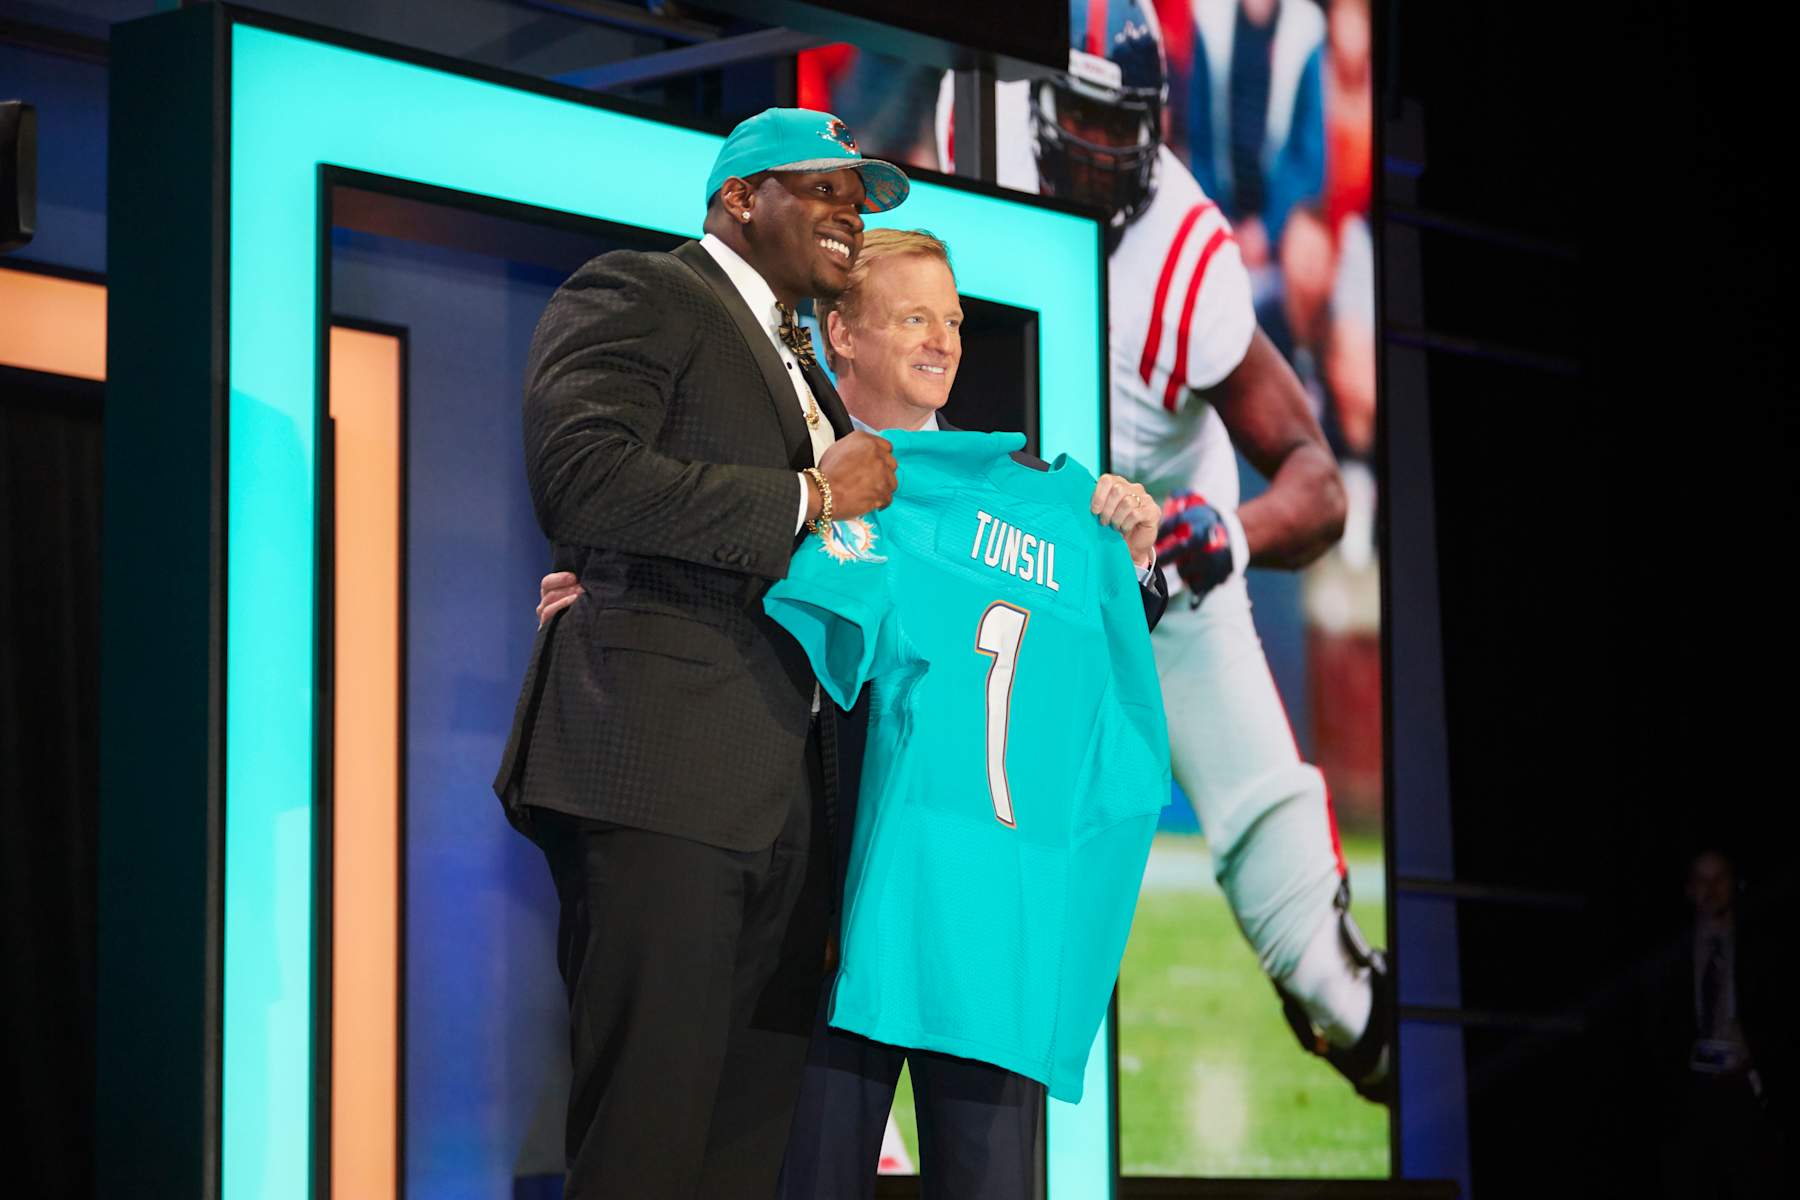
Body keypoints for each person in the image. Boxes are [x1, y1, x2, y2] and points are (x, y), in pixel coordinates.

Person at [538, 228, 1169, 1198]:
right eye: (915, 316)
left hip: (980, 912)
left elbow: (1090, 655)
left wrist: (1127, 556)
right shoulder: (801, 480)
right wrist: (618, 594)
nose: (944, 340)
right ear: (841, 332)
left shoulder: (1038, 496)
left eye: (953, 320)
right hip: (827, 913)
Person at [938, 0, 1388, 1098]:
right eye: (1080, 115)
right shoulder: (976, 122)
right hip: (1008, 559)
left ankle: (1409, 1074)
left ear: (1156, 125)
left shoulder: (1189, 257)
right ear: (1041, 97)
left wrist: (1218, 539)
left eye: (1120, 124)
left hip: (1160, 583)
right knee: (935, 850)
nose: (1096, 147)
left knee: (1324, 970)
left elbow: (1319, 487)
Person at [492, 107, 908, 1198]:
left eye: (858, 201)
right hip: (666, 780)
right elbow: (580, 475)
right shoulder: (647, 290)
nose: (849, 217)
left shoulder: (808, 374)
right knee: (645, 1143)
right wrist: (809, 496)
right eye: (825, 190)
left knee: (738, 1158)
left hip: (787, 814)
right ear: (740, 199)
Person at [1645, 849, 1787, 1198]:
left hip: (1746, 1091)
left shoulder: (1763, 947)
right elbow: (1657, 1025)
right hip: (1690, 1097)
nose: (1711, 889)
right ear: (1689, 889)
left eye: (1719, 879)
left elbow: (1780, 1015)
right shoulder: (1670, 953)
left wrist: (1756, 1057)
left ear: (1733, 884)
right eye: (1702, 881)